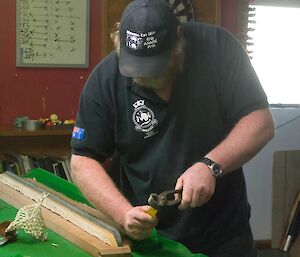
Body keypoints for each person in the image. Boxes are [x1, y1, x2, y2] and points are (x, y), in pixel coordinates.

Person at [70, 0, 275, 256]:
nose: (150, 79)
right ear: (119, 45)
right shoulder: (104, 79)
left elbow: (260, 122)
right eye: (140, 70)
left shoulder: (218, 49)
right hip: (150, 239)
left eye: (158, 67)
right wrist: (122, 213)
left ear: (179, 39)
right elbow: (83, 160)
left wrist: (210, 166)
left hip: (223, 234)